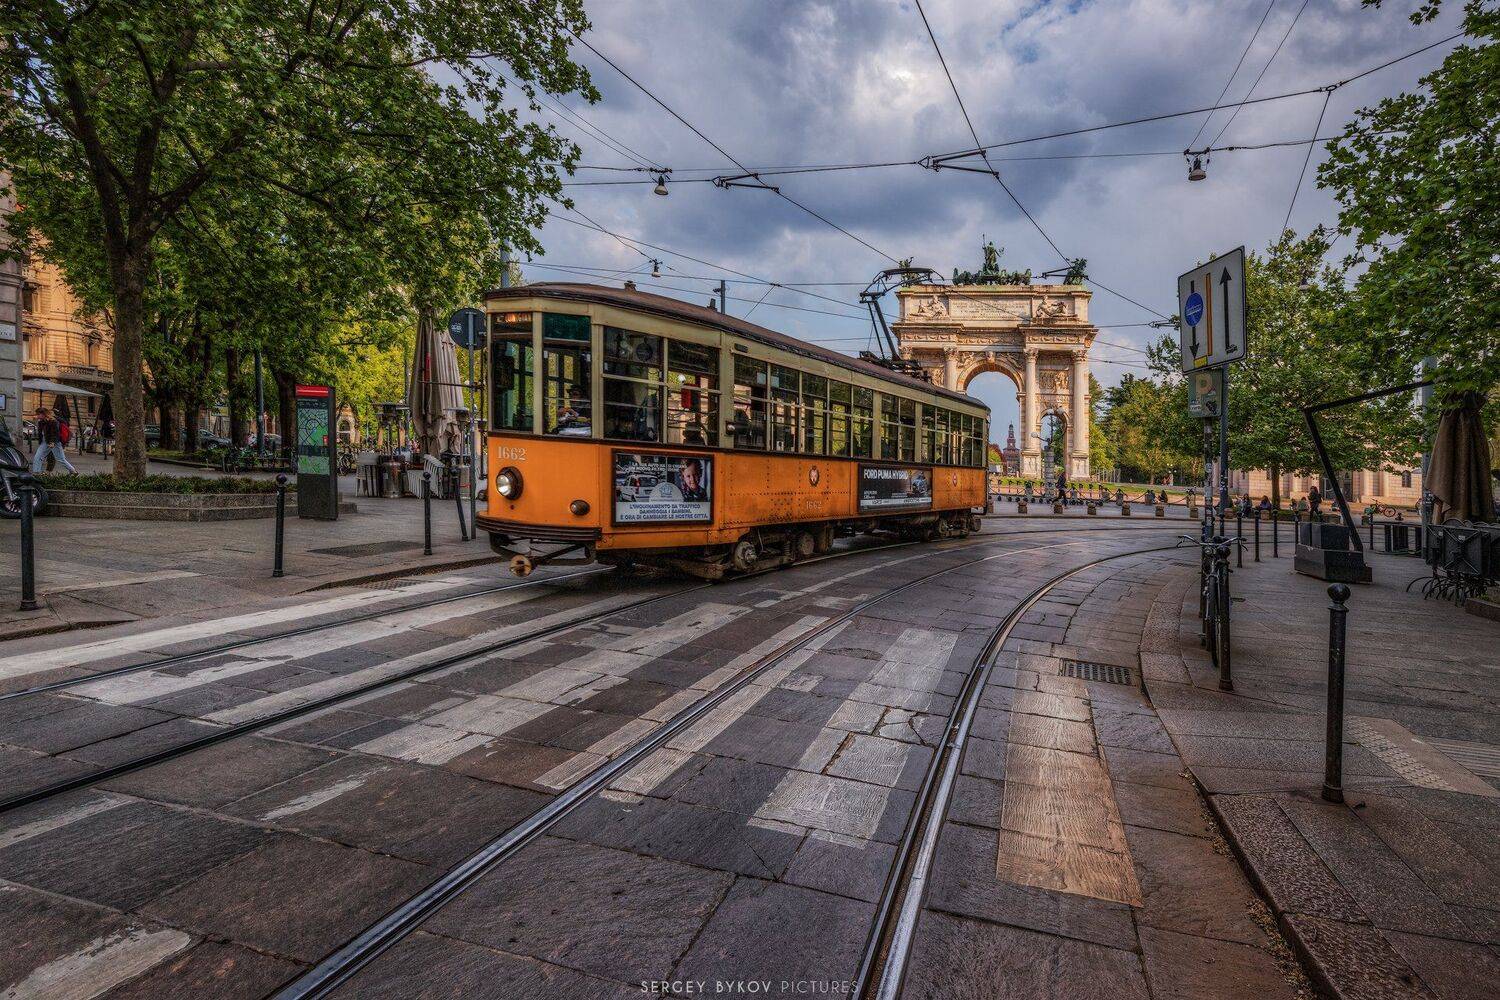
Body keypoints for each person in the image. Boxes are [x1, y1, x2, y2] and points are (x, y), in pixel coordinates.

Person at [29, 406, 77, 474]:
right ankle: (37, 472)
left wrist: (52, 442)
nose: (37, 416)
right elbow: (39, 433)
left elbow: (55, 433)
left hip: (54, 442)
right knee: (38, 457)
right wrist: (36, 421)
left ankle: (73, 471)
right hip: (44, 442)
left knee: (60, 459)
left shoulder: (53, 421)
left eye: (38, 414)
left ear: (43, 414)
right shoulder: (41, 422)